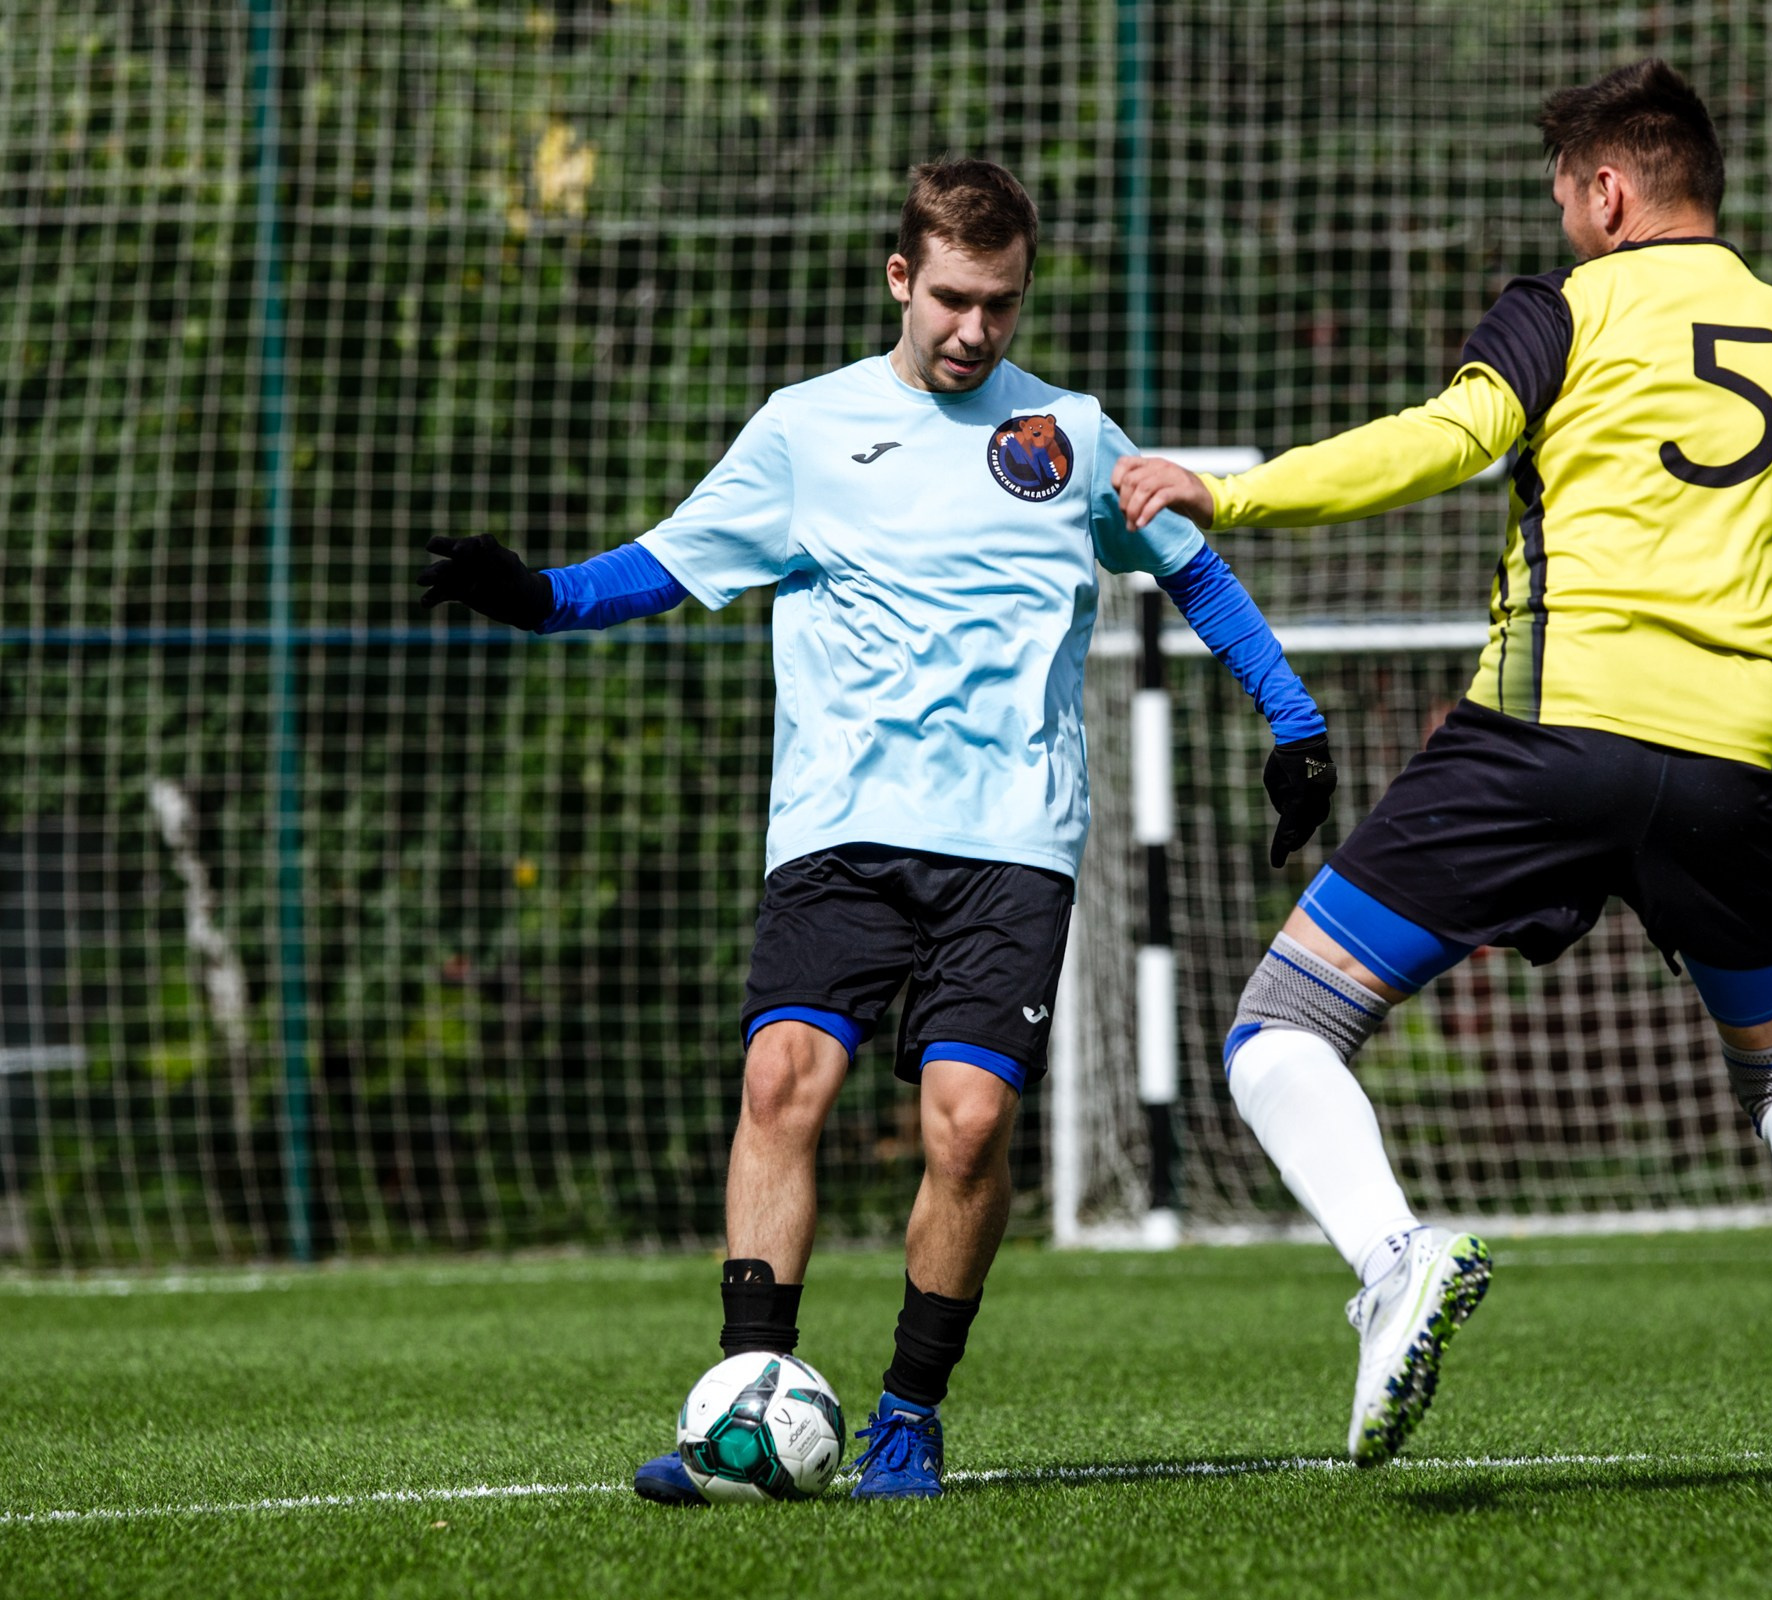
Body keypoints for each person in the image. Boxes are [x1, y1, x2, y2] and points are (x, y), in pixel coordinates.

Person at [1113, 58, 1772, 1467]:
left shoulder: (1559, 311)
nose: (1567, 221)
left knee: (1283, 1027)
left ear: (1610, 191)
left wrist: (1236, 486)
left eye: (1570, 196)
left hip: (1541, 745)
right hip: (1732, 772)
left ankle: (1395, 1264)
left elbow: (1448, 440)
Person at [417, 159, 1337, 1501]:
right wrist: (538, 596)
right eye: (956, 299)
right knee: (783, 1079)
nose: (976, 331)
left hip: (1013, 839)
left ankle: (909, 1414)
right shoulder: (805, 430)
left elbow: (1193, 565)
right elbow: (671, 561)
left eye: (1003, 306)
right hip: (841, 827)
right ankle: (744, 1408)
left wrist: (1293, 721)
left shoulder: (1070, 438)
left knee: (966, 1128)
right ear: (902, 278)